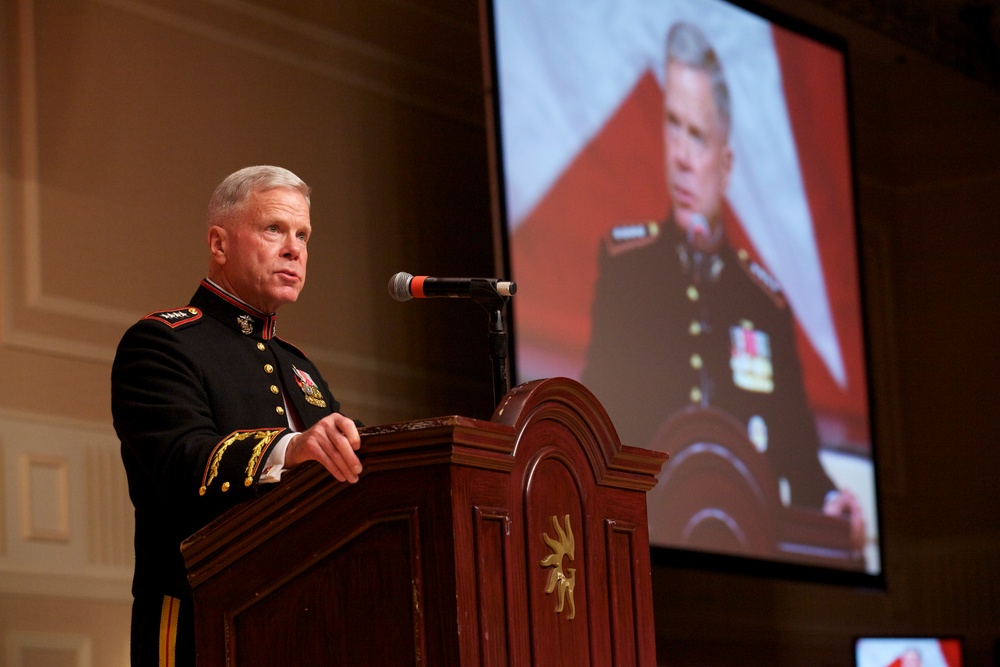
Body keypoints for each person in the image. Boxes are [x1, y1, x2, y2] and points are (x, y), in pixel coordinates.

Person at [581, 22, 864, 548]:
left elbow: (797, 454)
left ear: (727, 162)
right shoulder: (627, 267)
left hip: (746, 548)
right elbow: (597, 417)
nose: (682, 157)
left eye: (699, 137)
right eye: (673, 126)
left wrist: (830, 502)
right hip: (637, 544)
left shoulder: (763, 301)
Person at [112, 166, 363, 666]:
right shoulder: (162, 342)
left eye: (303, 236)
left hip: (302, 619)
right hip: (198, 616)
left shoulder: (300, 366)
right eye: (274, 229)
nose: (294, 249)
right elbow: (181, 462)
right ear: (219, 244)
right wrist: (290, 448)